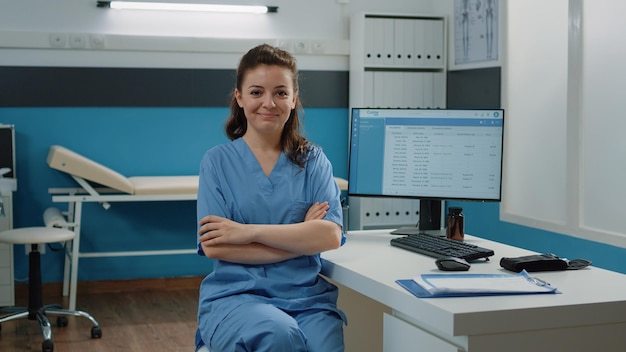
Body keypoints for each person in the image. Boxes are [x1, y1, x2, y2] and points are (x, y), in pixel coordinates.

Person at [195, 43, 346, 352]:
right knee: (278, 334)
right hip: (237, 298)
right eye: (256, 92)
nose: (268, 103)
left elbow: (330, 235)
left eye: (280, 92)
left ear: (293, 99)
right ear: (239, 97)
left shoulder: (313, 160)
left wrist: (248, 232)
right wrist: (299, 239)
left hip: (308, 299)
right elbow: (215, 245)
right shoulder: (217, 162)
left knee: (324, 345)